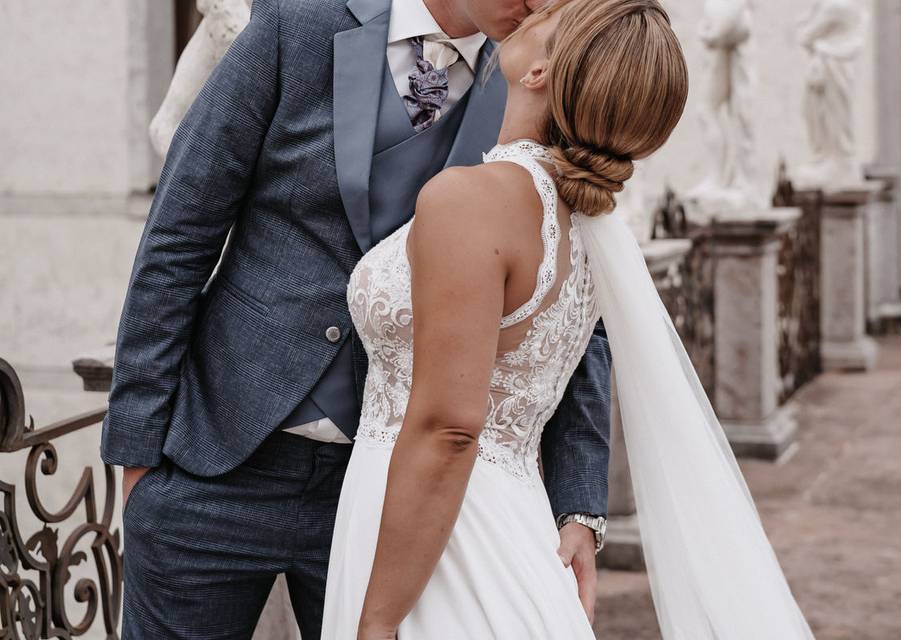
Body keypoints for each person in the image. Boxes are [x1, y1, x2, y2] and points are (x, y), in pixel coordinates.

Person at [101, 0, 612, 637]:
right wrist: (138, 459)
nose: (545, 4)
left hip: (384, 499)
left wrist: (579, 502)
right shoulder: (298, 23)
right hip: (217, 464)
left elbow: (574, 298)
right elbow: (179, 235)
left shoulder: (536, 81)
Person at [322, 1, 817, 639]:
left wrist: (378, 621)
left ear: (540, 72)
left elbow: (448, 430)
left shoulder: (471, 202)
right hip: (514, 529)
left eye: (551, 17)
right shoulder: (583, 223)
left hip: (443, 550)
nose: (534, 6)